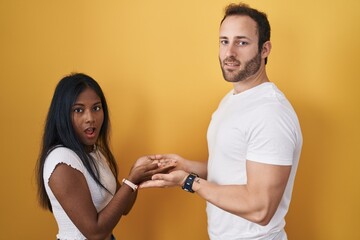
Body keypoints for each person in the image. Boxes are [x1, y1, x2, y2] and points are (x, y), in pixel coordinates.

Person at [141, 3, 302, 240]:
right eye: (224, 41)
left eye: (242, 42)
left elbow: (260, 208)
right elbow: (236, 171)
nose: (229, 53)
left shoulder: (270, 112)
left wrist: (189, 181)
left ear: (265, 49)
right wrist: (188, 167)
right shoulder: (232, 99)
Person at [36, 73, 174, 240]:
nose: (90, 118)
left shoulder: (94, 152)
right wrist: (131, 180)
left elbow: (124, 207)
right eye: (79, 110)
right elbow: (95, 232)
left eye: (96, 108)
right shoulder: (62, 161)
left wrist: (137, 172)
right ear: (63, 115)